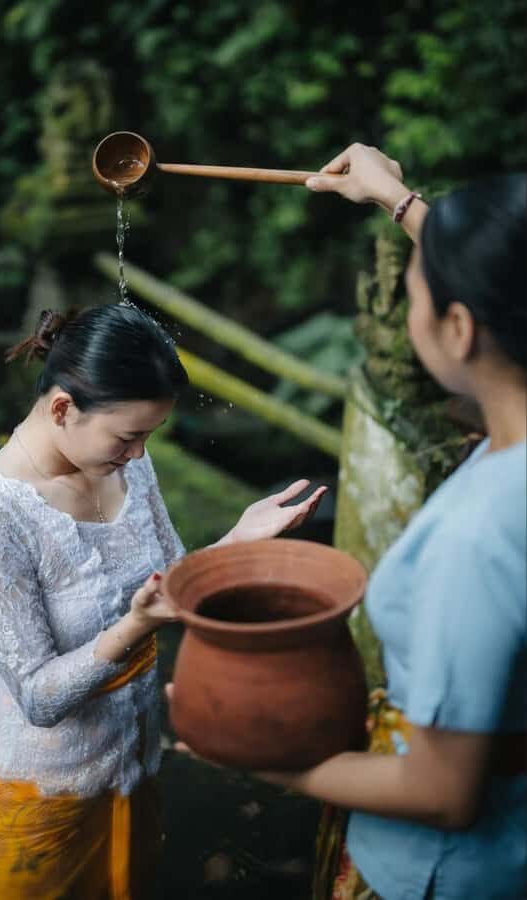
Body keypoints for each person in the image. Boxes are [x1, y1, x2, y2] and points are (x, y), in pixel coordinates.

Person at [171, 145, 526, 900]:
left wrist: (267, 760)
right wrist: (395, 200)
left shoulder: (477, 537)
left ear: (458, 327)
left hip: (450, 872)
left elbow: (443, 793)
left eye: (412, 292)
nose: (408, 305)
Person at [0, 302, 326, 900]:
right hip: (39, 797)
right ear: (63, 408)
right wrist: (134, 626)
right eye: (128, 436)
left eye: (148, 436)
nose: (139, 454)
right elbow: (39, 698)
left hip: (132, 766)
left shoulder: (126, 464)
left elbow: (169, 578)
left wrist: (235, 540)